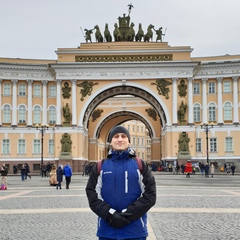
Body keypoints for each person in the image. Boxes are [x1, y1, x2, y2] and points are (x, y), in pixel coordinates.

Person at [86, 125, 156, 240]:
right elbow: (92, 194)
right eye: (116, 136)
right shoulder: (100, 166)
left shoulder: (140, 165)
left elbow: (150, 195)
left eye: (123, 136)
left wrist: (128, 214)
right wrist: (110, 215)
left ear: (128, 141)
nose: (120, 139)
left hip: (135, 231)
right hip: (107, 231)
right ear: (110, 142)